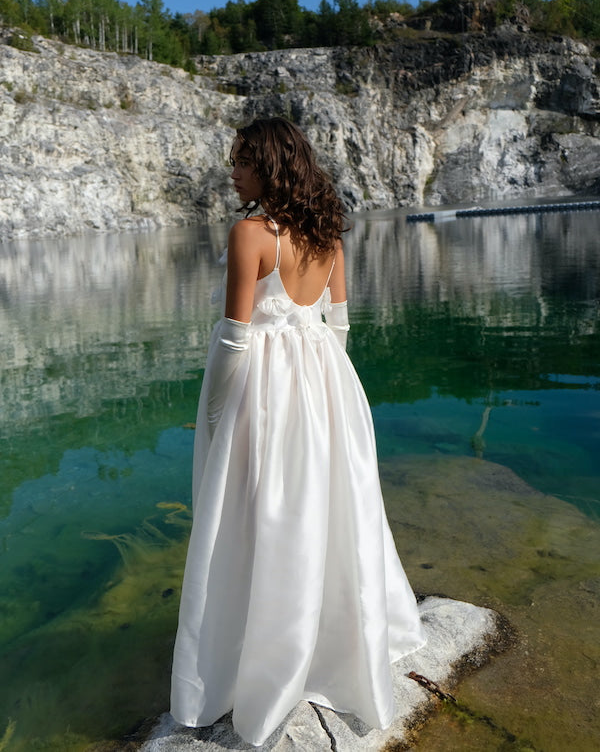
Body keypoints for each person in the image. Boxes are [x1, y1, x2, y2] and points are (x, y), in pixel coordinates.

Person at [170, 117, 425, 746]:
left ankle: (256, 657)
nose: (232, 171)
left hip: (268, 390)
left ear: (268, 164)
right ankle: (330, 646)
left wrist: (214, 413)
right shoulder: (328, 233)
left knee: (264, 513)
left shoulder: (250, 234)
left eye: (241, 160)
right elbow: (338, 325)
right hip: (329, 387)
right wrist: (327, 389)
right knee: (331, 510)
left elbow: (234, 337)